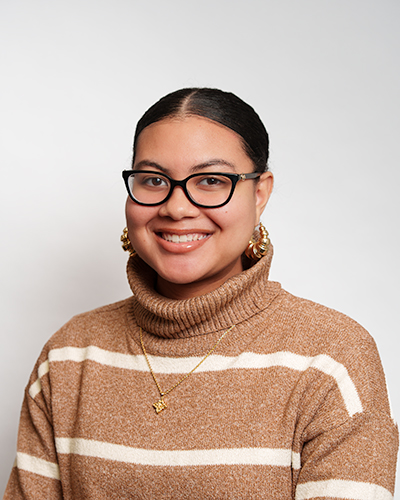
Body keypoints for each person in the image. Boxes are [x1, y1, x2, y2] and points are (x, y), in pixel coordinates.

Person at [4, 88, 398, 499]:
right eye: (154, 180)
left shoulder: (331, 357)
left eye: (211, 180)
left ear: (260, 193)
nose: (176, 208)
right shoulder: (69, 355)